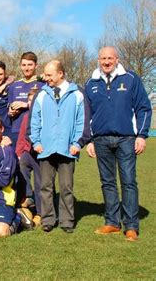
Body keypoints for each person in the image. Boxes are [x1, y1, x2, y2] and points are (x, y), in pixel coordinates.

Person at [85, 47, 152, 242]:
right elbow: (87, 114)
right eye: (103, 58)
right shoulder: (91, 82)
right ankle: (112, 222)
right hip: (101, 140)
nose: (106, 62)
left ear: (117, 59)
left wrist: (142, 135)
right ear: (98, 60)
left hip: (126, 139)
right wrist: (89, 139)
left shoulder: (131, 78)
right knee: (107, 182)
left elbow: (144, 107)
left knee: (128, 182)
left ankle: (131, 226)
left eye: (110, 58)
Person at [30, 60, 90, 233]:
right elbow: (34, 120)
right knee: (45, 186)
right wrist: (36, 142)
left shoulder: (77, 93)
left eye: (49, 75)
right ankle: (48, 220)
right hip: (45, 149)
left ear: (60, 74)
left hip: (67, 149)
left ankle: (67, 221)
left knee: (66, 187)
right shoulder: (41, 94)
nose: (45, 78)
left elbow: (82, 121)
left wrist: (78, 143)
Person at [15, 88, 42, 226]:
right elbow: (21, 136)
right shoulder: (26, 116)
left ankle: (40, 212)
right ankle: (27, 196)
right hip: (27, 152)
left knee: (40, 182)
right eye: (30, 100)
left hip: (41, 154)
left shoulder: (45, 115)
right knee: (21, 167)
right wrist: (19, 153)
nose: (32, 103)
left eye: (35, 100)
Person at [8, 52, 44, 145]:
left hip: (35, 130)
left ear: (36, 66)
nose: (27, 68)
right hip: (17, 130)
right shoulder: (14, 86)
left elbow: (45, 107)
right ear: (20, 66)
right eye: (24, 65)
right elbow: (9, 108)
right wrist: (11, 112)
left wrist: (27, 105)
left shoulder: (43, 85)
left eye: (30, 65)